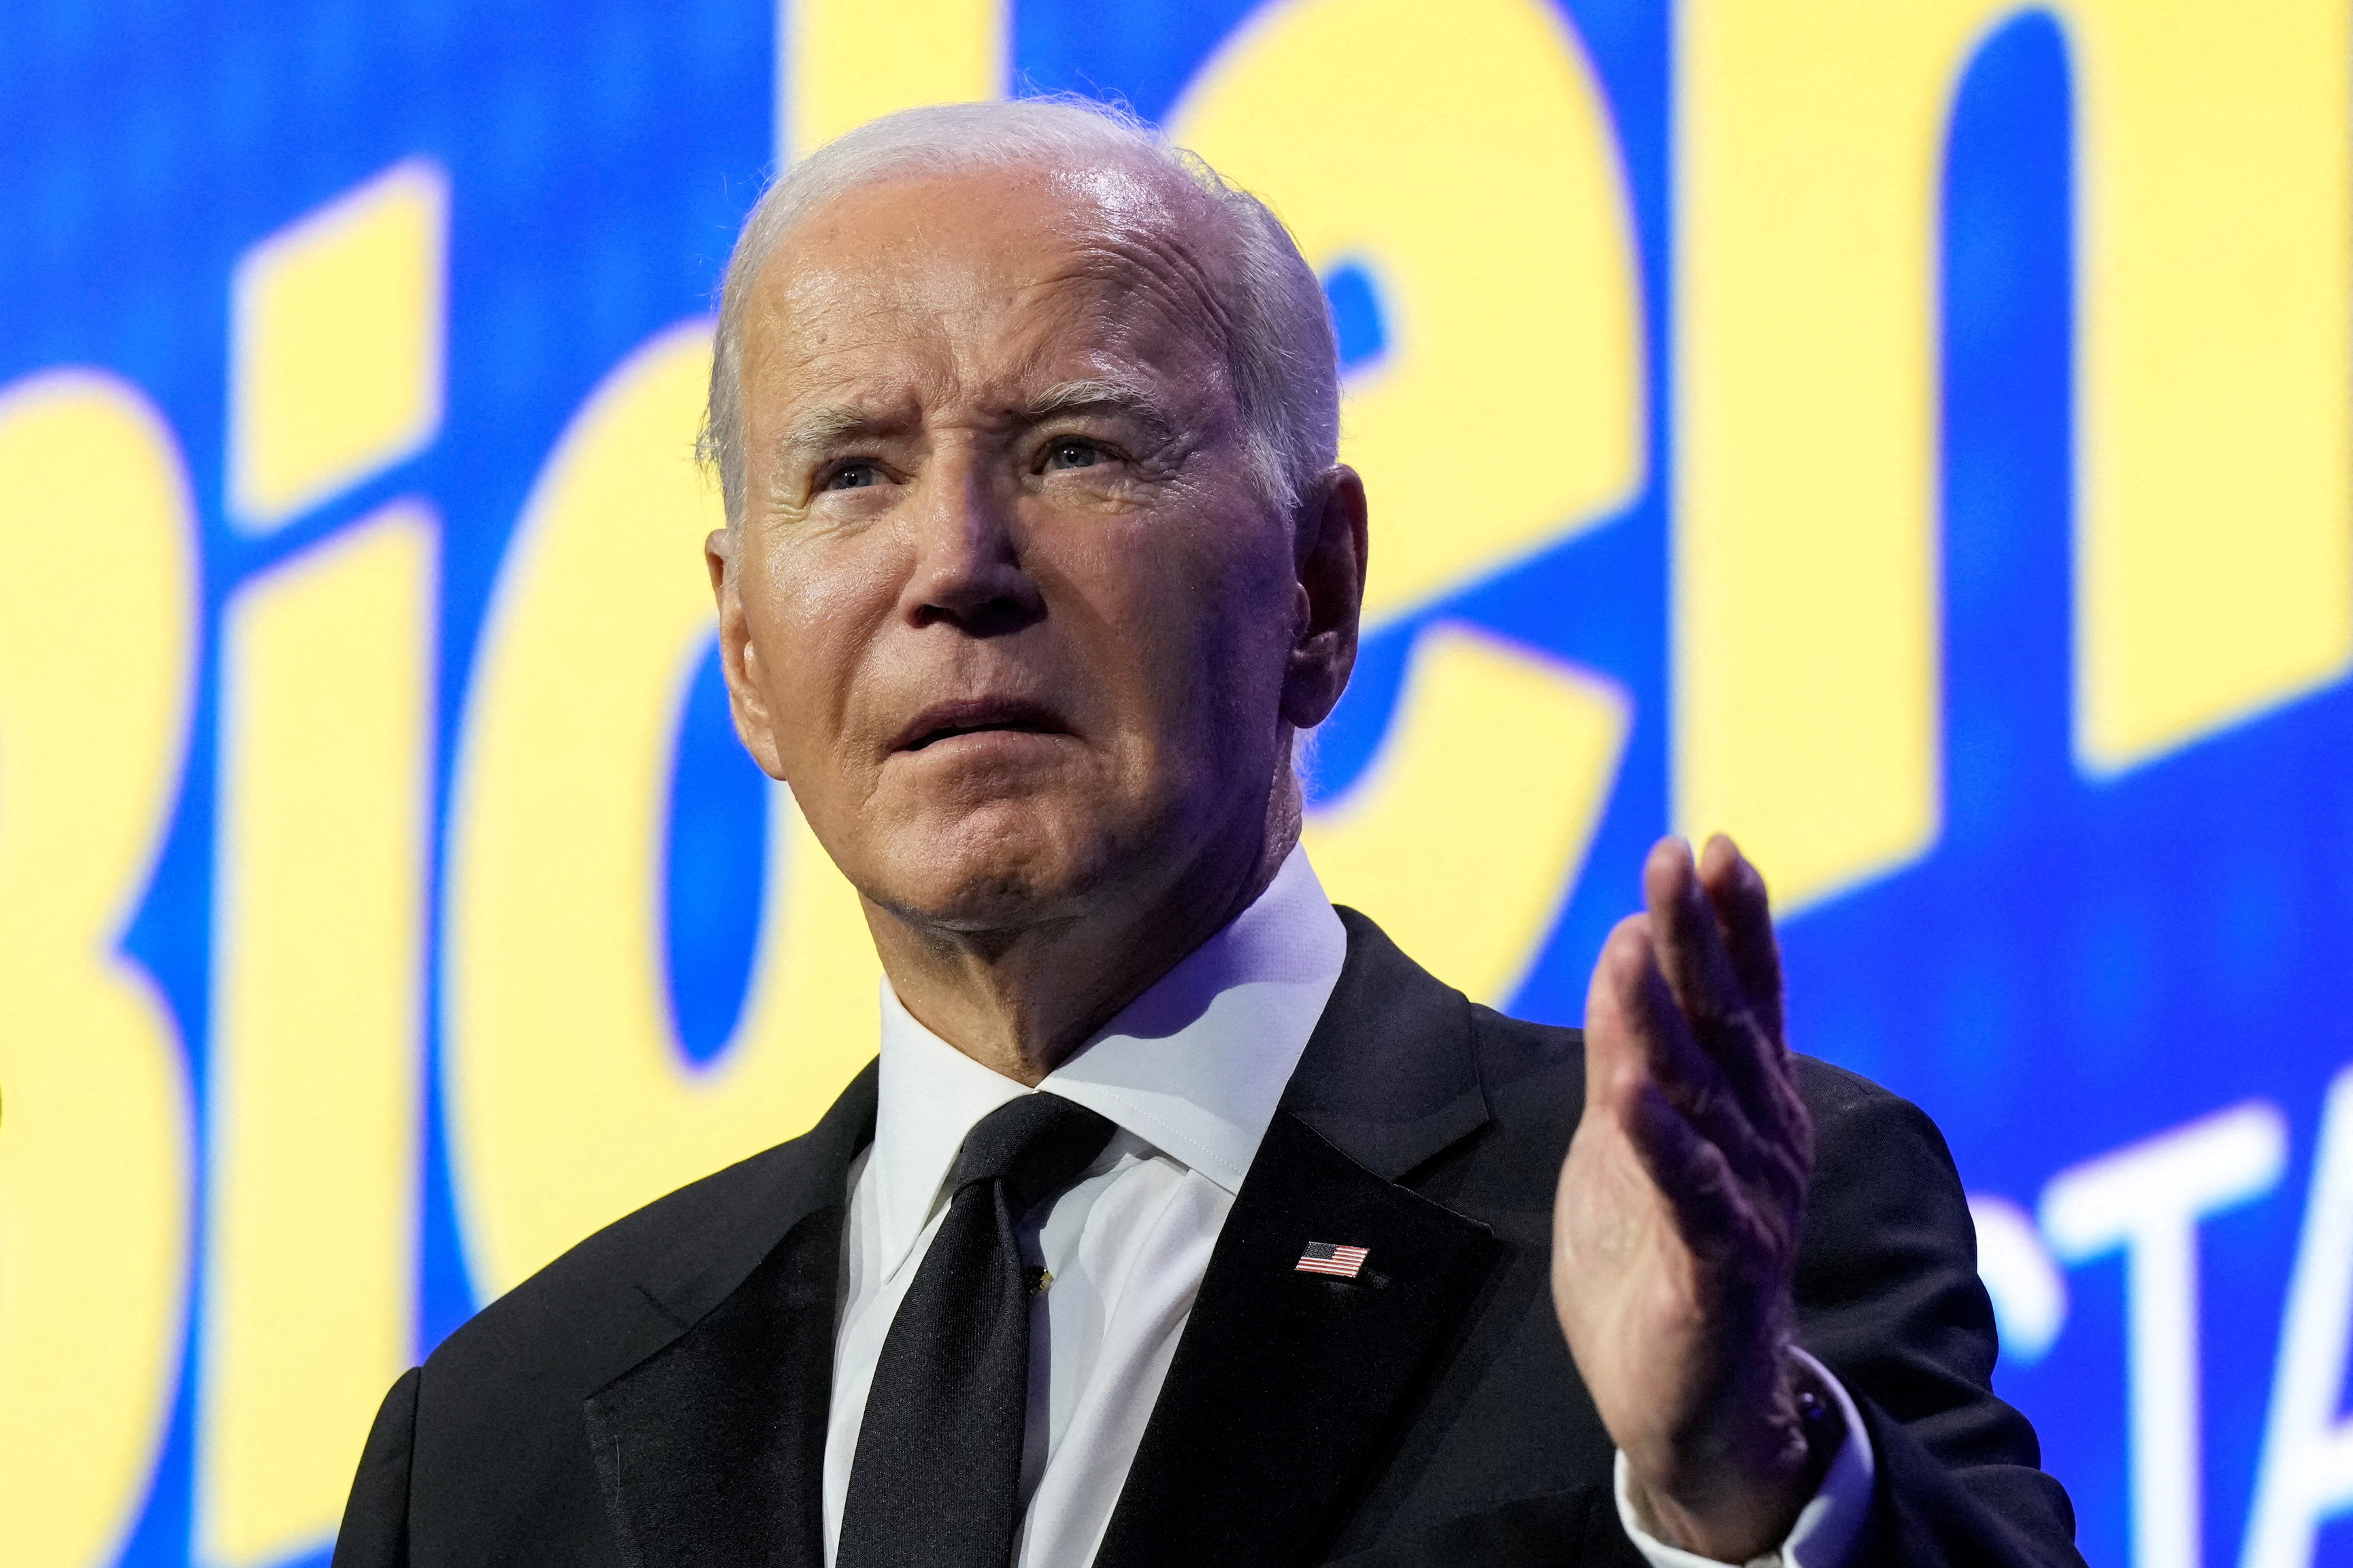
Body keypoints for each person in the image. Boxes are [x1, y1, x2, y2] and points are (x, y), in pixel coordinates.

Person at [333, 99, 2080, 1567]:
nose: (956, 565)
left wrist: (1742, 1489)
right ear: (745, 653)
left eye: (1076, 450)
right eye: (853, 472)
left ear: (1317, 588)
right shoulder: (491, 1454)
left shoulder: (1708, 1244)